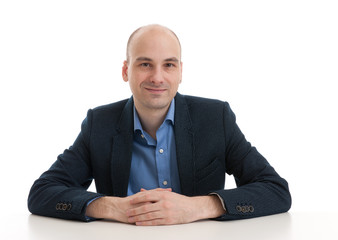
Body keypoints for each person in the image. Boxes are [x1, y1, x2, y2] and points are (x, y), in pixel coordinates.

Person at [28, 24, 291, 226]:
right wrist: (113, 207)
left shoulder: (215, 118)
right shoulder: (100, 123)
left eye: (168, 65)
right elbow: (42, 193)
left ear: (180, 72)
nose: (157, 77)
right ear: (125, 71)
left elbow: (276, 190)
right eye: (145, 64)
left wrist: (198, 207)